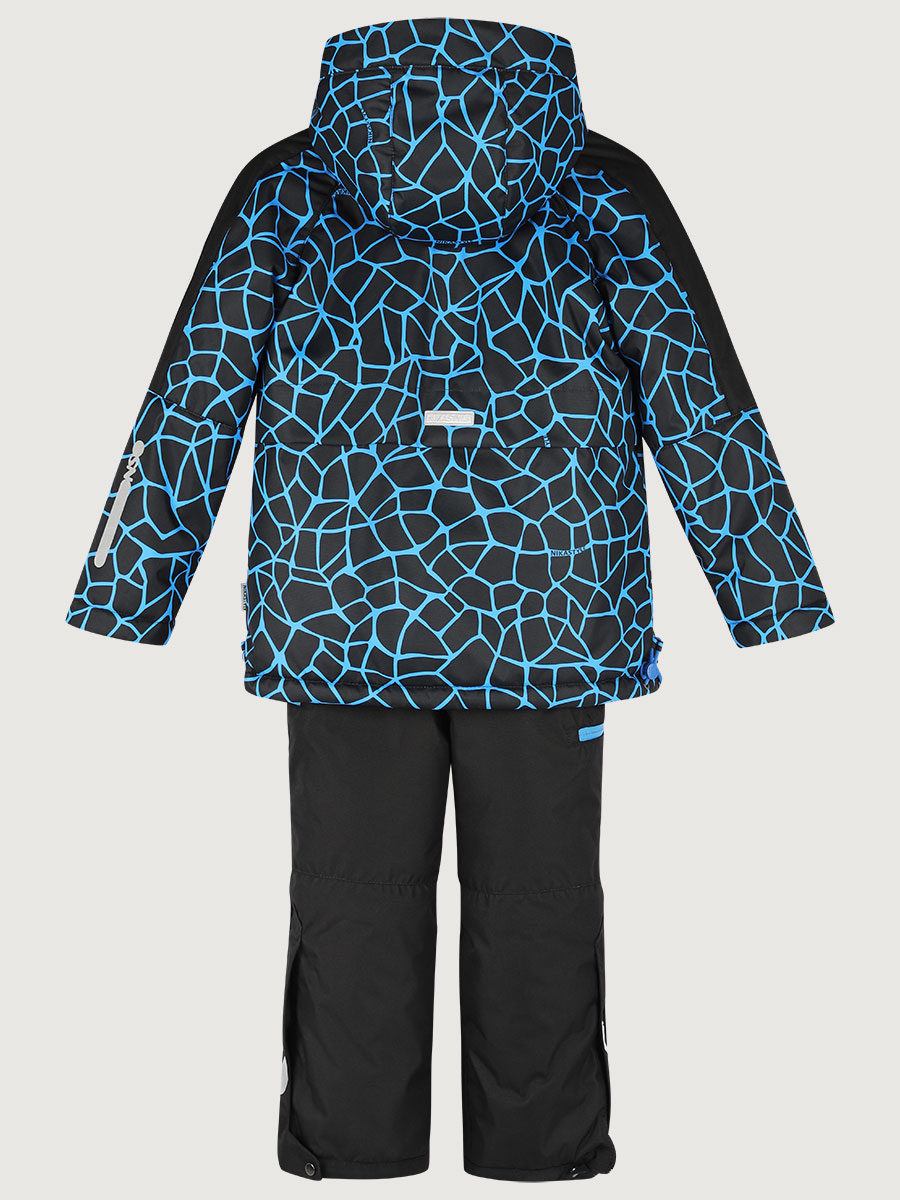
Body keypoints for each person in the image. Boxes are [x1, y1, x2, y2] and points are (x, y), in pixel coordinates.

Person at [66, 18, 833, 1183]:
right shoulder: (601, 187)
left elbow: (197, 388)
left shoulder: (287, 187)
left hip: (343, 612)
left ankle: (349, 1151)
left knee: (350, 902)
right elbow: (695, 389)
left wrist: (131, 585)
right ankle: (542, 1154)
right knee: (541, 904)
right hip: (548, 615)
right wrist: (769, 587)